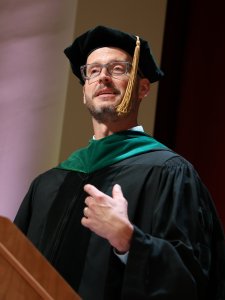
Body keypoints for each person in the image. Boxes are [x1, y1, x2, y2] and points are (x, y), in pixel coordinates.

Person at [14, 25, 225, 300]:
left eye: (117, 69)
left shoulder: (169, 173)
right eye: (93, 71)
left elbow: (195, 279)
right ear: (84, 91)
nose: (103, 78)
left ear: (142, 88)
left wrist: (129, 240)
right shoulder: (48, 184)